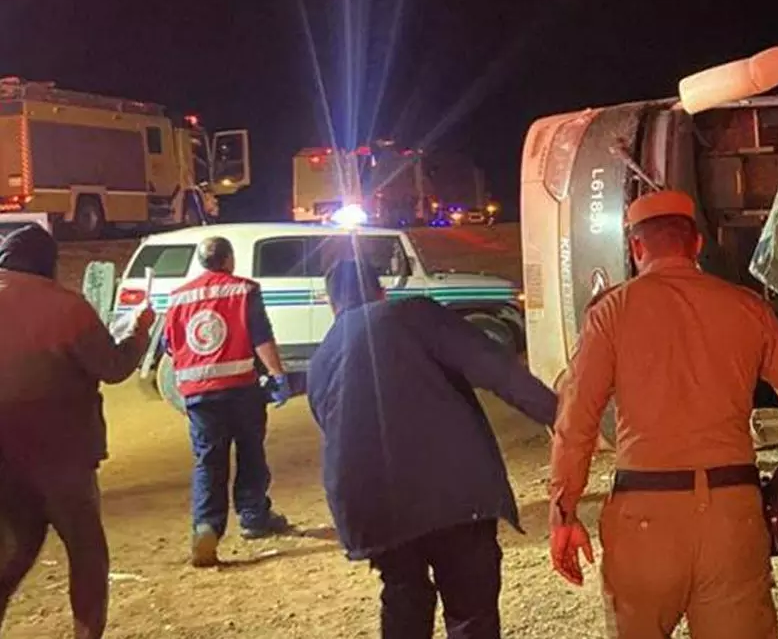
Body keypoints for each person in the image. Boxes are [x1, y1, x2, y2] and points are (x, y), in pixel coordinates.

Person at [548, 189, 778, 639]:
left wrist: (563, 511)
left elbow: (576, 422)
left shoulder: (611, 313)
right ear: (696, 244)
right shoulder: (747, 307)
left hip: (644, 522)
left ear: (637, 247)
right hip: (732, 518)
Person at [307, 257, 557, 639]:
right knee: (470, 608)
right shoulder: (414, 313)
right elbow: (495, 368)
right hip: (454, 494)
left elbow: (333, 427)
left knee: (404, 595)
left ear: (332, 304)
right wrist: (563, 418)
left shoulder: (320, 359)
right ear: (380, 291)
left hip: (373, 506)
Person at [0, 224, 155, 639]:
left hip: (4, 460)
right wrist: (139, 331)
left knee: (12, 553)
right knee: (87, 554)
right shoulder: (67, 308)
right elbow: (113, 366)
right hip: (62, 456)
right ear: (48, 264)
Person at [161, 236, 294, 567]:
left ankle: (206, 526)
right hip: (241, 388)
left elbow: (170, 346)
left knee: (208, 460)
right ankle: (253, 516)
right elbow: (260, 336)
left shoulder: (178, 297)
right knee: (250, 452)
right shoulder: (244, 290)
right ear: (228, 259)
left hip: (198, 394)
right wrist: (277, 375)